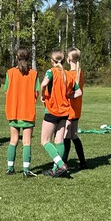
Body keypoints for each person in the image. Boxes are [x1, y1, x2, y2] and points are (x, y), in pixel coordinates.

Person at [40, 49, 81, 177]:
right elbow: (79, 92)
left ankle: (61, 164)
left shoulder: (51, 72)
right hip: (64, 111)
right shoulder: (68, 74)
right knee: (59, 140)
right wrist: (68, 95)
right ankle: (55, 169)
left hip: (52, 110)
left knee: (45, 141)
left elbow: (43, 84)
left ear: (52, 61)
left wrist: (42, 95)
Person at [3, 47, 39, 178]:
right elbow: (36, 92)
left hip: (13, 111)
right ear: (28, 58)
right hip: (27, 111)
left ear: (16, 58)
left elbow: (6, 91)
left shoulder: (10, 72)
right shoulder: (33, 74)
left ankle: (10, 168)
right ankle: (26, 169)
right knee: (27, 141)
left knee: (13, 140)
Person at [63, 47, 87, 169]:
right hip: (77, 108)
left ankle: (63, 163)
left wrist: (67, 96)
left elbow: (70, 91)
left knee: (66, 136)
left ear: (68, 59)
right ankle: (82, 162)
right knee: (74, 135)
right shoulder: (80, 72)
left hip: (69, 107)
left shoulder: (69, 74)